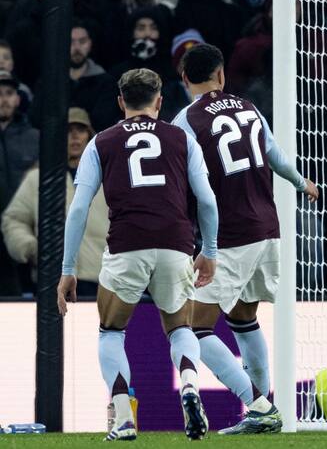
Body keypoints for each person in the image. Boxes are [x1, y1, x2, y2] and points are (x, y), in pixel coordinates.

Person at [56, 68, 219, 441]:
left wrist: (68, 269)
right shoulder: (181, 138)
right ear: (159, 101)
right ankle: (190, 386)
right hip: (176, 242)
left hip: (127, 243)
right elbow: (207, 200)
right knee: (180, 327)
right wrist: (208, 250)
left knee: (111, 331)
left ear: (120, 102)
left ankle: (124, 417)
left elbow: (79, 209)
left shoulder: (101, 141)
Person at [172, 43, 318, 434]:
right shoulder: (249, 108)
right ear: (221, 74)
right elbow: (275, 155)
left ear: (185, 79)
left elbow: (180, 182)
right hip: (268, 228)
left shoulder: (186, 120)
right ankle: (265, 409)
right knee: (243, 318)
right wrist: (302, 182)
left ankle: (259, 405)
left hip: (229, 236)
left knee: (191, 328)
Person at [3, 108, 107, 297]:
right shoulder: (38, 178)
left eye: (80, 130)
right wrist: (29, 247)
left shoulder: (109, 179)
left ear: (89, 136)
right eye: (68, 131)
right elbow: (14, 220)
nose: (74, 136)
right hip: (51, 278)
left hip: (102, 279)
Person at [0, 70, 37, 296]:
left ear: (18, 98)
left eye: (9, 93)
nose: (4, 99)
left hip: (24, 234)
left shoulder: (35, 138)